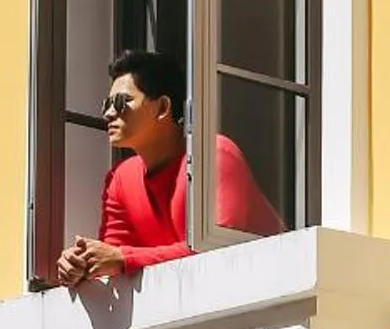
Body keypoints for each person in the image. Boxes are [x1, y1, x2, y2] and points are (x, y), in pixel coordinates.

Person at [56, 48, 284, 286]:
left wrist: (123, 258)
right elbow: (112, 260)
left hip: (273, 291)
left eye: (122, 102)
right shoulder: (121, 179)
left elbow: (222, 249)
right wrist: (82, 264)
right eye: (106, 104)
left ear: (163, 107)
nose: (110, 114)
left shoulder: (213, 155)